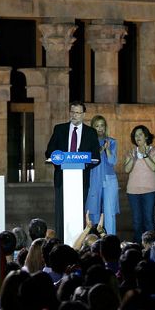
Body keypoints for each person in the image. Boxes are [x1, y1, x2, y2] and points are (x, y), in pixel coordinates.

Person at [44, 101, 101, 240]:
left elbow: (96, 157)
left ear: (83, 115)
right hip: (62, 178)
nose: (74, 115)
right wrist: (61, 161)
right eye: (72, 112)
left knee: (77, 212)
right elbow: (49, 152)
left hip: (82, 179)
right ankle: (60, 241)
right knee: (61, 212)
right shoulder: (59, 129)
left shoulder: (91, 132)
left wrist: (83, 164)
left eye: (77, 113)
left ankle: (78, 242)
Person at [123, 125, 155, 243]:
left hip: (149, 190)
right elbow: (127, 170)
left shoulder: (154, 151)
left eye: (140, 134)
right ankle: (138, 247)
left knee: (148, 220)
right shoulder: (131, 152)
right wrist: (133, 158)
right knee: (137, 221)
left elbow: (154, 167)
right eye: (135, 135)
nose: (137, 137)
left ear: (146, 136)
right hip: (133, 191)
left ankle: (151, 247)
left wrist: (145, 154)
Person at [84, 115, 119, 235]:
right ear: (92, 127)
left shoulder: (112, 141)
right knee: (93, 210)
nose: (100, 128)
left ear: (105, 127)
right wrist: (100, 150)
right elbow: (89, 160)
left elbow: (112, 161)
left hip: (109, 179)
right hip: (93, 178)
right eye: (97, 126)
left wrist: (107, 149)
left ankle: (111, 239)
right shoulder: (89, 143)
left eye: (102, 125)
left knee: (109, 212)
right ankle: (93, 240)